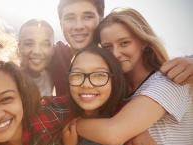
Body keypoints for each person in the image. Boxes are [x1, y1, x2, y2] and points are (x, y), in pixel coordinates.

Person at [73, 8, 193, 145]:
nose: (115, 53)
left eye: (124, 43)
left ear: (144, 42)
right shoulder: (117, 92)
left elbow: (114, 132)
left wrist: (73, 126)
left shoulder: (169, 81)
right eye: (107, 47)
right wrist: (133, 131)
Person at [52, 0, 193, 95]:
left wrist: (189, 61)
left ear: (101, 19)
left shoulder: (115, 60)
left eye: (87, 17)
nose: (78, 26)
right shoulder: (54, 54)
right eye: (70, 18)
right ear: (61, 23)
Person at [63, 45, 137, 145]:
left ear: (114, 80)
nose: (86, 84)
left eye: (99, 75)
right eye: (77, 75)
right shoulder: (59, 116)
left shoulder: (126, 139)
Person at [18, 19, 55, 96]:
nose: (37, 51)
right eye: (29, 44)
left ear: (53, 49)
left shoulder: (50, 77)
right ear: (19, 47)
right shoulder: (9, 81)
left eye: (45, 44)